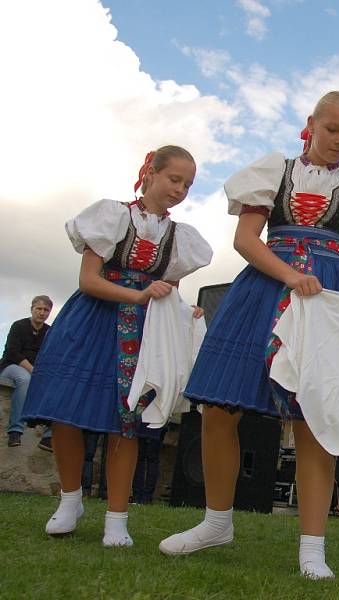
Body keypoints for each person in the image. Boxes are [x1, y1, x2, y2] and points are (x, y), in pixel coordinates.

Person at [159, 91, 339, 581]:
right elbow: (246, 239)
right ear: (311, 125)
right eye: (332, 129)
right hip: (264, 290)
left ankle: (312, 547)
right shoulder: (276, 169)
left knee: (314, 420)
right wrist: (290, 275)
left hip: (328, 298)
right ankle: (216, 522)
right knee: (220, 407)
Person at [22, 145, 212, 547]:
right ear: (150, 175)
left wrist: (185, 311)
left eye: (188, 184)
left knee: (128, 420)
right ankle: (70, 500)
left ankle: (117, 518)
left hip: (143, 331)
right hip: (91, 320)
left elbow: (169, 292)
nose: (180, 189)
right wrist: (138, 295)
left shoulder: (178, 238)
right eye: (174, 179)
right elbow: (88, 280)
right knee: (66, 410)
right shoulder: (112, 217)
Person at [1, 295, 54, 449]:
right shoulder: (19, 326)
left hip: (37, 371)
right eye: (39, 308)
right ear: (32, 309)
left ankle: (48, 436)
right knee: (25, 379)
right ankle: (15, 431)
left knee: (56, 384)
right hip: (11, 367)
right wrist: (33, 370)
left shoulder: (49, 332)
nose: (42, 313)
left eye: (46, 310)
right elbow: (13, 353)